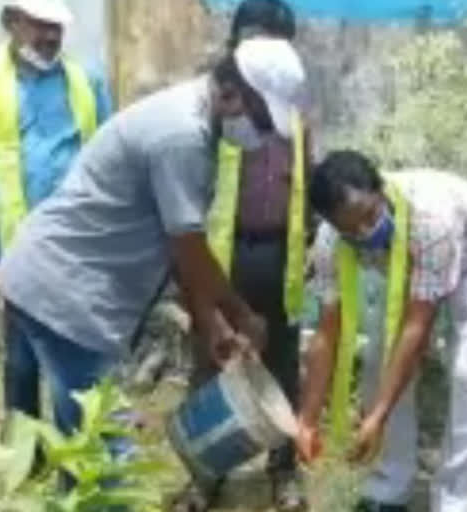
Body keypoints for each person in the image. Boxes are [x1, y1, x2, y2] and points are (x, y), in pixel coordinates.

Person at [0, 38, 305, 467]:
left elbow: (177, 246)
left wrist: (212, 322)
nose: (263, 135)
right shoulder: (183, 137)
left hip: (51, 278)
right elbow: (189, 246)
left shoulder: (192, 122)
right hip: (66, 294)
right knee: (105, 454)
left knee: (81, 442)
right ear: (231, 92)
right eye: (263, 120)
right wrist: (241, 314)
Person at [297, 151, 467, 512]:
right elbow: (327, 332)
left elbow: (417, 326)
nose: (364, 232)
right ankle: (387, 487)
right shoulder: (330, 242)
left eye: (369, 215)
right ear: (333, 225)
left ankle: (458, 500)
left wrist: (377, 416)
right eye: (351, 229)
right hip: (410, 270)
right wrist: (306, 419)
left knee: (464, 373)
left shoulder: (431, 220)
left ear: (381, 189)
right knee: (380, 359)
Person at [0, 0, 112, 426]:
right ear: (11, 23)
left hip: (78, 249)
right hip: (18, 249)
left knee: (74, 362)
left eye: (57, 26)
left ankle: (74, 461)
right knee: (21, 362)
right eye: (40, 25)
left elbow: (112, 163)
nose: (51, 36)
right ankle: (23, 458)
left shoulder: (87, 80)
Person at [181, 0, 310, 510]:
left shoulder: (294, 104)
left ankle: (283, 471)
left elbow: (306, 176)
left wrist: (308, 249)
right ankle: (205, 473)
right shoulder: (213, 106)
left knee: (279, 363)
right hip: (222, 253)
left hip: (280, 253)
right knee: (210, 361)